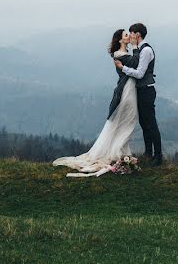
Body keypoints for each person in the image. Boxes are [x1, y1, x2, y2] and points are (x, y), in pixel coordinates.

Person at [52, 29, 140, 177]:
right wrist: (136, 46)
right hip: (126, 91)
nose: (129, 37)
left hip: (130, 88)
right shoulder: (119, 55)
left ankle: (121, 152)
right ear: (120, 40)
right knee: (128, 119)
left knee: (127, 120)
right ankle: (118, 153)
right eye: (126, 35)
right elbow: (135, 63)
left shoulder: (121, 54)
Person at [114, 22, 162, 165]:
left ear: (138, 34)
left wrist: (123, 68)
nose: (130, 36)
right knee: (144, 123)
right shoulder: (140, 49)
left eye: (132, 33)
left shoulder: (146, 50)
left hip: (146, 90)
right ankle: (148, 152)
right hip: (140, 91)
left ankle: (158, 156)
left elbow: (140, 73)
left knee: (151, 123)